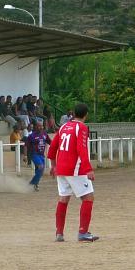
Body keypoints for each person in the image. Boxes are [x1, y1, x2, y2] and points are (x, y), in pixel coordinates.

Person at [47, 103, 99, 243]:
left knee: (63, 199)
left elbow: (53, 146)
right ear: (85, 115)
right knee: (88, 197)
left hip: (61, 169)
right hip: (74, 169)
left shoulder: (64, 126)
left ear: (73, 114)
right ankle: (83, 232)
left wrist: (53, 165)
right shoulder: (81, 127)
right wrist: (88, 169)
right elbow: (81, 148)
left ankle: (59, 233)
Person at [26, 120, 51, 191]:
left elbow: (50, 142)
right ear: (35, 127)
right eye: (39, 126)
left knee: (40, 171)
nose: (41, 127)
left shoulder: (44, 134)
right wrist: (25, 156)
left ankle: (35, 184)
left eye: (42, 126)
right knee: (41, 167)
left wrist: (58, 146)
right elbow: (26, 145)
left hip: (42, 156)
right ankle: (31, 183)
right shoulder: (31, 136)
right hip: (34, 154)